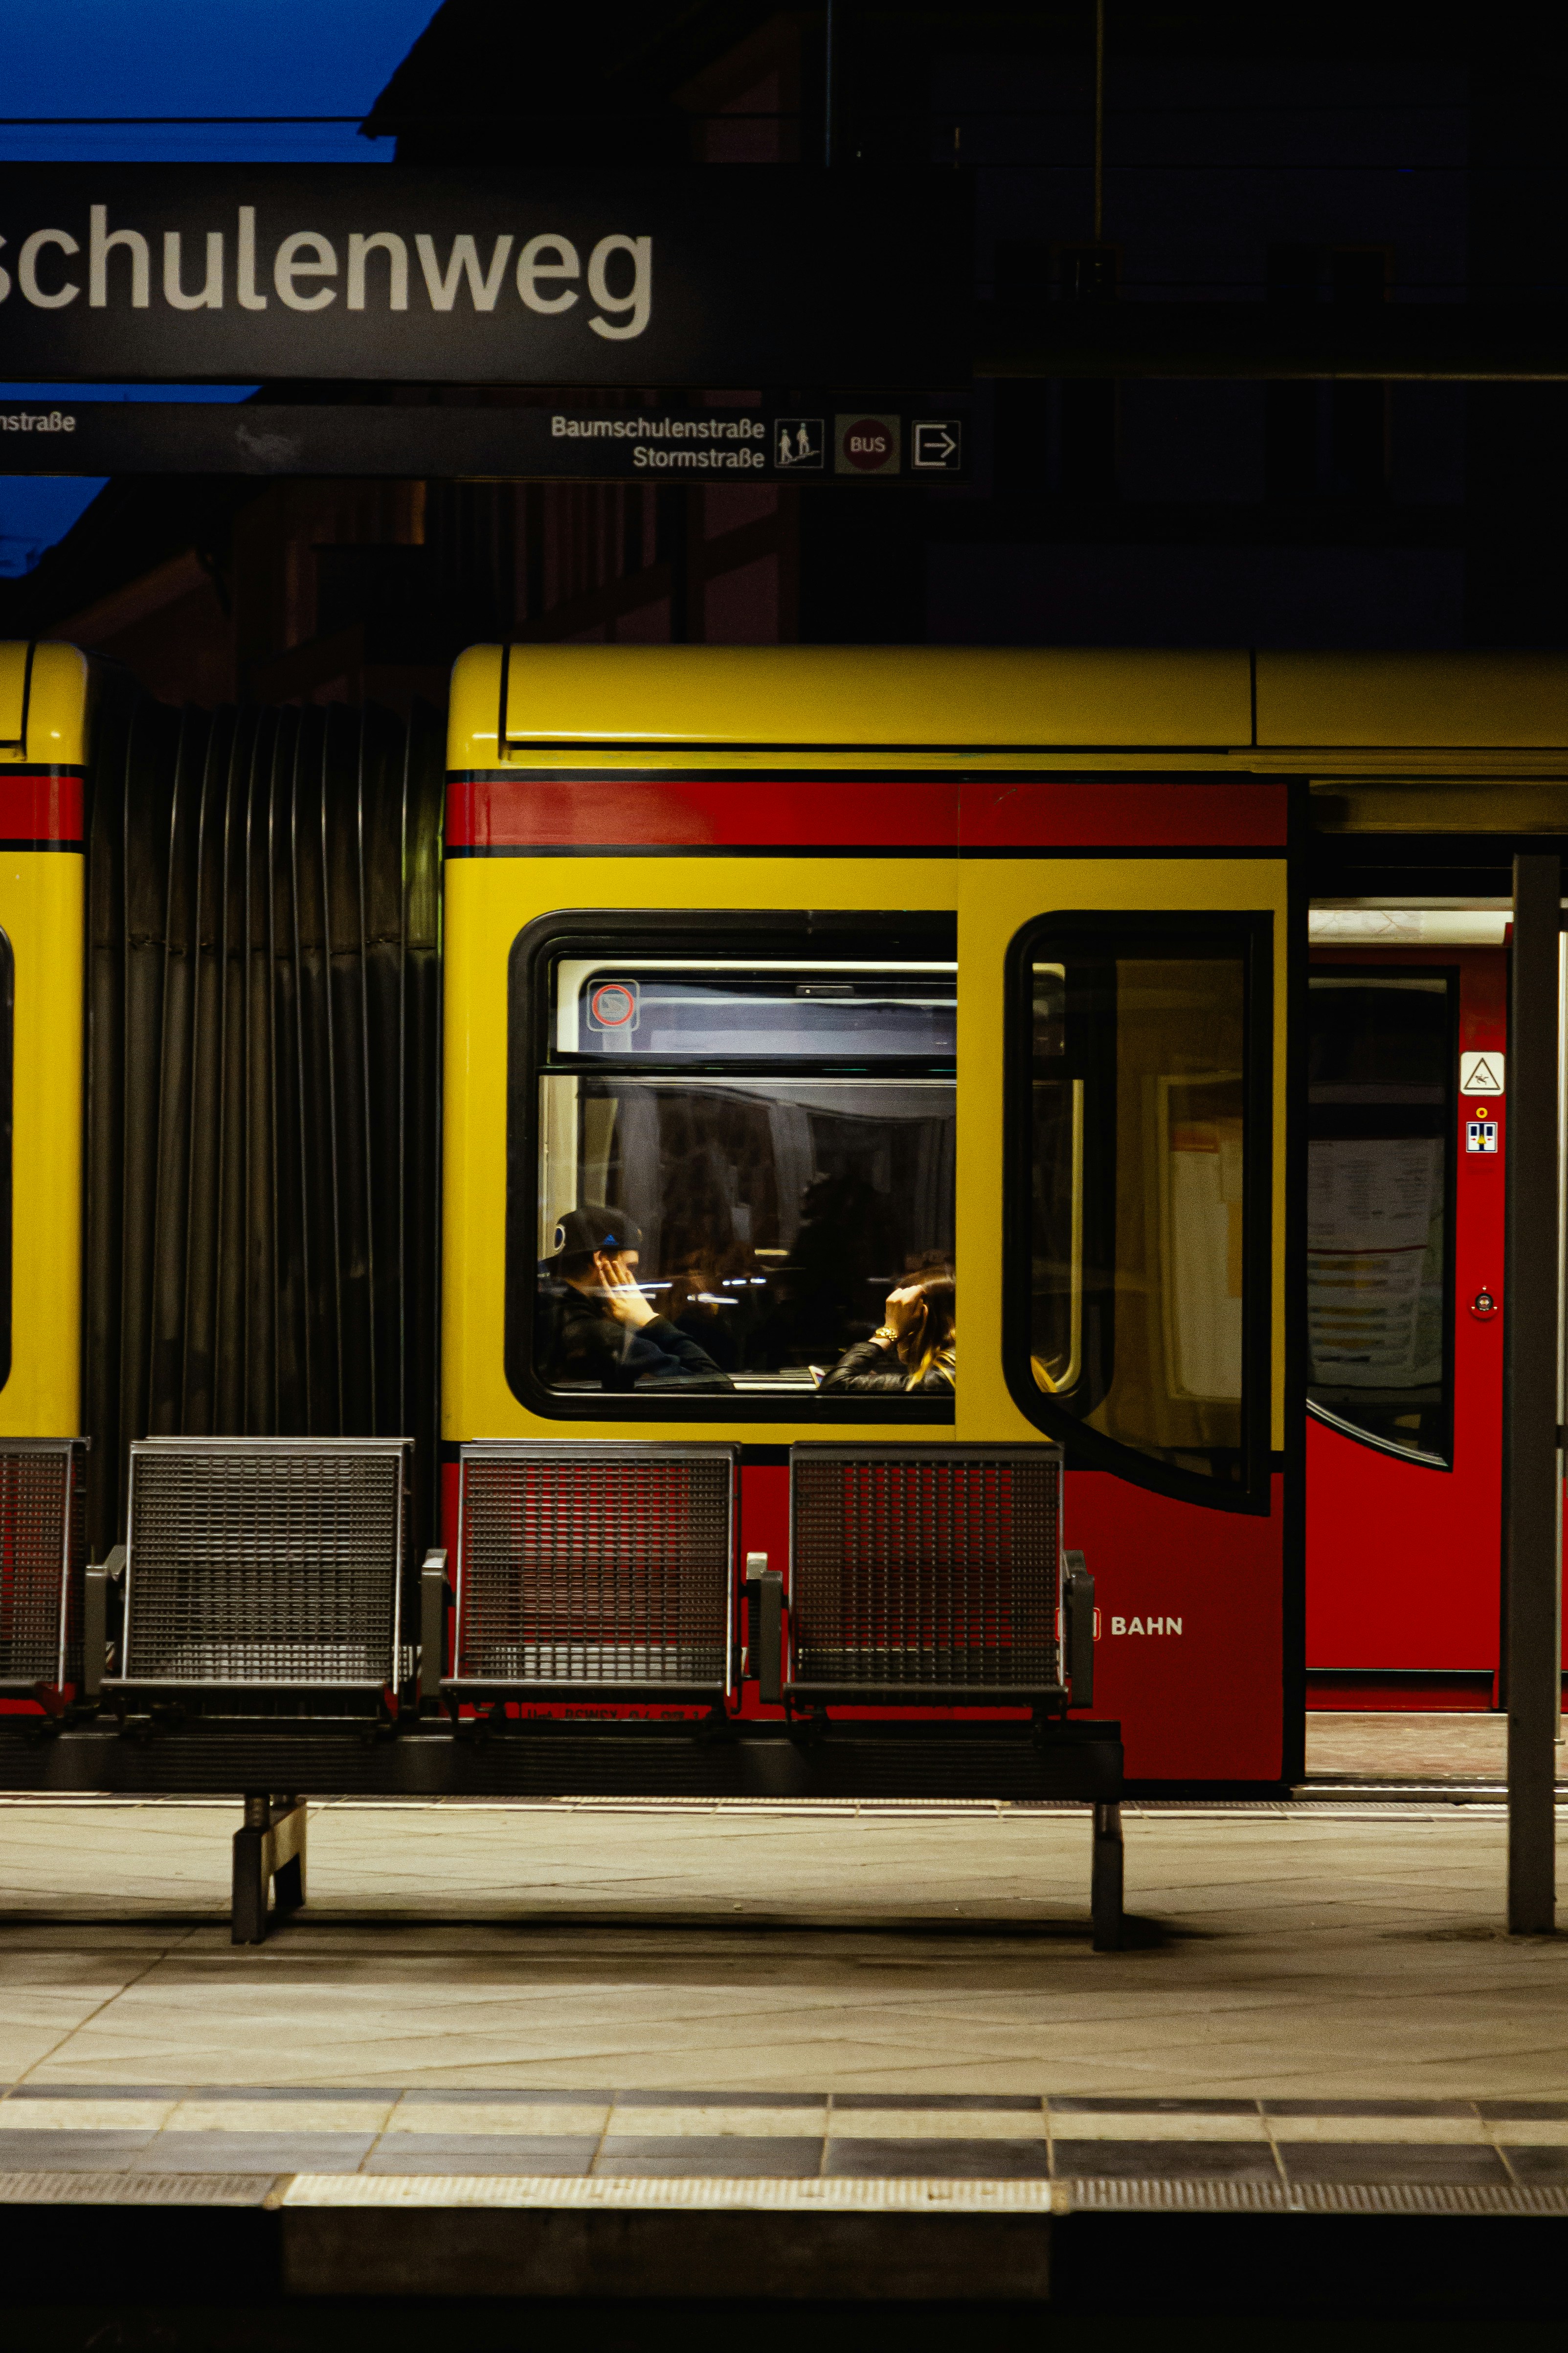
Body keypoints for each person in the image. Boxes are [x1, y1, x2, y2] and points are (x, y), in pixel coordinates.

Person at [535, 1206, 734, 1392]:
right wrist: (650, 1320)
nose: (634, 1281)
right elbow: (718, 1388)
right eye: (631, 1268)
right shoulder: (600, 1336)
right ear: (602, 1260)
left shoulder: (546, 1310)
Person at [817, 1271, 956, 1395]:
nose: (889, 1321)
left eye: (899, 1317)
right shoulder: (950, 1368)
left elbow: (835, 1388)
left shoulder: (949, 1376)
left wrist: (890, 1331)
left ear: (921, 1315)